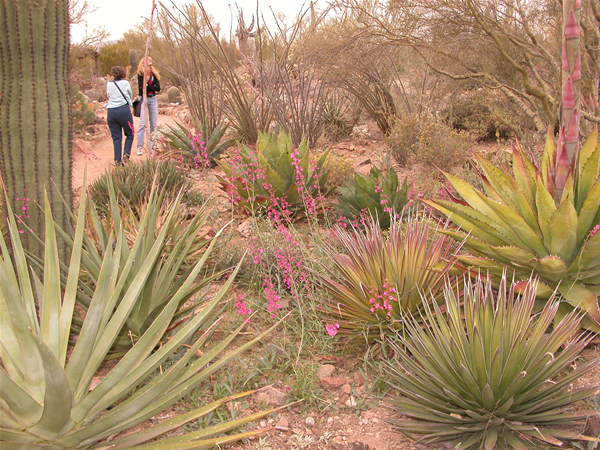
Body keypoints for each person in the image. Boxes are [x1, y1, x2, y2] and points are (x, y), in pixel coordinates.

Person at [106, 66, 134, 165]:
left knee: (116, 137)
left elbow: (108, 95)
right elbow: (130, 95)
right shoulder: (125, 83)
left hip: (111, 111)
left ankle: (117, 161)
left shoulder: (109, 84)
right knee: (130, 134)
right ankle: (126, 157)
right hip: (123, 109)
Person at [136, 57, 161, 156]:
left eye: (150, 65)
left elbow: (157, 88)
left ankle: (153, 142)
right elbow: (142, 89)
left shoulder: (154, 75)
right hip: (144, 99)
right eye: (147, 65)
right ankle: (140, 146)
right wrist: (149, 86)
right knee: (142, 123)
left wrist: (148, 85)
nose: (149, 67)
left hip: (153, 98)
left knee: (154, 122)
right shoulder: (140, 75)